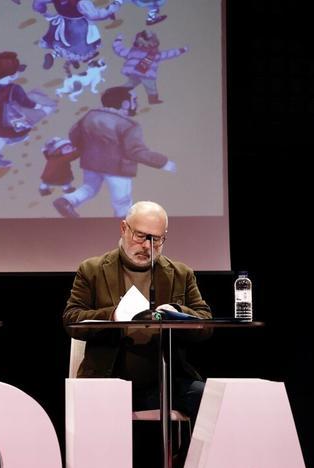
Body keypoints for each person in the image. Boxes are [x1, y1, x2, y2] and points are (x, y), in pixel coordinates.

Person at [62, 200, 210, 421]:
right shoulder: (92, 270)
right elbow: (71, 319)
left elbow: (205, 323)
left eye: (156, 239)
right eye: (140, 236)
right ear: (124, 228)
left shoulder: (181, 274)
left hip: (166, 382)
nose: (147, 246)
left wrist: (176, 312)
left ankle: (188, 447)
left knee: (210, 399)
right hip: (109, 379)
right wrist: (112, 316)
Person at [53, 86, 176, 218]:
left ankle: (67, 201)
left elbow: (74, 134)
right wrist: (163, 162)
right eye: (135, 100)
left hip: (90, 163)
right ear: (125, 104)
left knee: (89, 188)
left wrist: (87, 149)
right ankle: (122, 224)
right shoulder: (129, 125)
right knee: (122, 201)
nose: (137, 104)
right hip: (117, 169)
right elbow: (135, 151)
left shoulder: (90, 116)